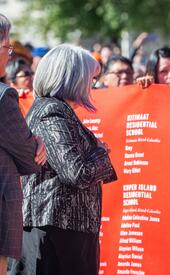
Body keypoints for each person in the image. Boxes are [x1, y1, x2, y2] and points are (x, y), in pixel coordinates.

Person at [10, 44, 117, 275]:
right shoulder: (52, 111)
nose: (93, 85)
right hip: (56, 236)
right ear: (73, 78)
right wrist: (101, 153)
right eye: (91, 78)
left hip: (61, 233)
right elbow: (75, 173)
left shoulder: (57, 110)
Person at [0, 13, 46, 275]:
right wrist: (36, 141)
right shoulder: (4, 99)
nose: (9, 55)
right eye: (7, 46)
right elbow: (30, 157)